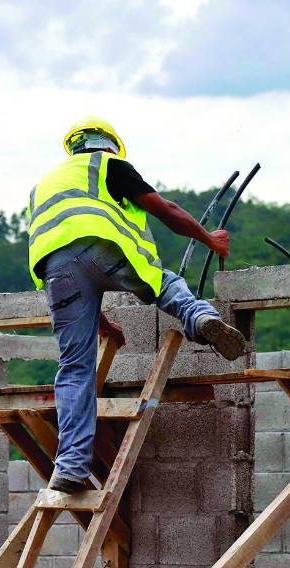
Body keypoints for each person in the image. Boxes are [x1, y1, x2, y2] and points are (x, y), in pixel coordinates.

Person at [28, 116, 246, 493]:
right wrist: (209, 239)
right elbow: (166, 210)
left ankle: (70, 467)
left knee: (75, 367)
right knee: (163, 282)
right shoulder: (107, 165)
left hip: (57, 270)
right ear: (109, 145)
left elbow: (67, 246)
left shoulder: (45, 185)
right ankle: (200, 318)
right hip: (104, 249)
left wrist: (98, 322)